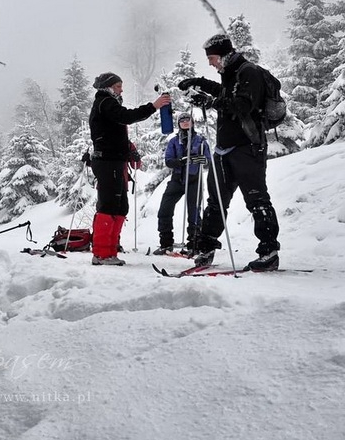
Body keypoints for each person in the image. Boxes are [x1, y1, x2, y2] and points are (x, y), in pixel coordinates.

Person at [178, 34, 281, 271]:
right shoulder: (229, 74)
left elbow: (243, 105)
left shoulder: (249, 72)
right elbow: (225, 93)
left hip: (248, 147)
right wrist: (200, 82)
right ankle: (206, 248)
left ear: (224, 55)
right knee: (215, 201)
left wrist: (209, 102)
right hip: (224, 149)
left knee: (257, 199)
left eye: (212, 58)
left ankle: (269, 252)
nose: (211, 63)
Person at [88, 72, 171, 265]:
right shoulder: (105, 102)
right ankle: (101, 254)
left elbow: (116, 128)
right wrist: (153, 106)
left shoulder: (109, 103)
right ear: (108, 87)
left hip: (116, 161)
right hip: (108, 162)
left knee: (120, 207)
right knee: (109, 206)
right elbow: (126, 116)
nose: (121, 89)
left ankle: (109, 252)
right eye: (117, 86)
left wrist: (129, 151)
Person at [153, 112, 211, 256]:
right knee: (164, 209)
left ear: (192, 122)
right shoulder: (174, 141)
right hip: (177, 179)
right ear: (178, 124)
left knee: (194, 212)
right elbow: (168, 160)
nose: (185, 122)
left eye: (188, 120)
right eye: (182, 121)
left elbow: (208, 160)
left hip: (194, 179)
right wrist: (181, 161)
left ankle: (194, 243)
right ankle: (166, 243)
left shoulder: (201, 140)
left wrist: (199, 160)